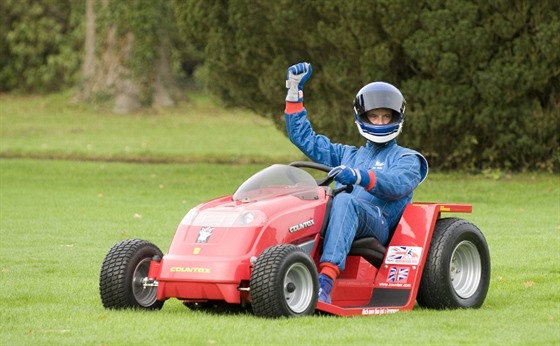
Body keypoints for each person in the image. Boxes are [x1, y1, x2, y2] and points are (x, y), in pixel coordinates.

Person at [284, 62, 428, 303]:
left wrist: (360, 176)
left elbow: (397, 184)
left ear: (396, 118)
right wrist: (293, 91)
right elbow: (304, 139)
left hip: (379, 223)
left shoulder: (407, 158)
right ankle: (278, 266)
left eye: (385, 117)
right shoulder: (348, 155)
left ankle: (324, 285)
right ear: (363, 117)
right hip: (345, 214)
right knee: (314, 200)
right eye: (374, 116)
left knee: (345, 201)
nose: (380, 122)